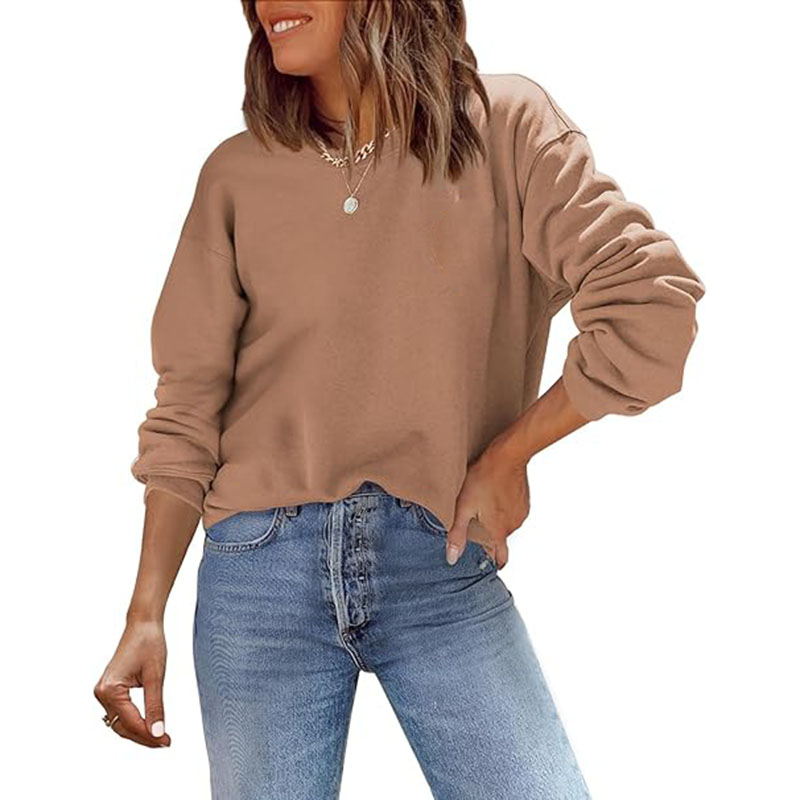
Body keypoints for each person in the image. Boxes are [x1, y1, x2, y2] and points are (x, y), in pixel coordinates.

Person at [94, 1, 706, 798]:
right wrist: (145, 613)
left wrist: (510, 453)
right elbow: (186, 408)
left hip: (438, 558)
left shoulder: (506, 126)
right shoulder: (236, 176)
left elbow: (651, 308)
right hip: (257, 574)